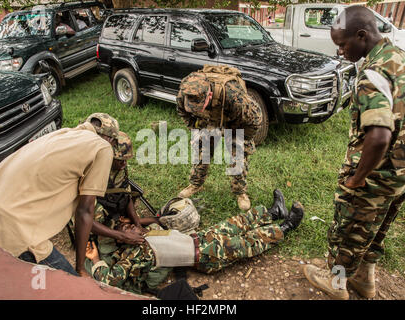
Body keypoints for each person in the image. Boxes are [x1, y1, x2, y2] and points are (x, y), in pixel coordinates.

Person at [303, 5, 405, 300]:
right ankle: (364, 279)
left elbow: (378, 137)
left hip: (374, 177)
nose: (340, 51)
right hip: (402, 173)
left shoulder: (372, 76)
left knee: (348, 234)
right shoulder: (400, 57)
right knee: (375, 232)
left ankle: (337, 283)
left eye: (342, 44)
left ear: (362, 36)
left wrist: (356, 179)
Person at [0, 113, 121, 277]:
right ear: (110, 139)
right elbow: (85, 212)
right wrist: (80, 267)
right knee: (73, 288)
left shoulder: (61, 135)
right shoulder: (102, 147)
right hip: (13, 229)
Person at [84, 190, 304, 294]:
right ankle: (286, 227)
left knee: (236, 222)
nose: (132, 226)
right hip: (206, 255)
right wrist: (95, 260)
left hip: (201, 238)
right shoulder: (134, 255)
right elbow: (108, 280)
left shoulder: (144, 233)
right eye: (127, 229)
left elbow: (143, 221)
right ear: (125, 240)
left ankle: (274, 212)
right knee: (248, 243)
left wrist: (135, 224)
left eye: (130, 225)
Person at [176, 65, 263, 211]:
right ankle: (196, 184)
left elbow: (256, 118)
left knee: (237, 155)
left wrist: (242, 139)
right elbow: (183, 114)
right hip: (208, 120)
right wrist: (196, 125)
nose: (194, 108)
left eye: (198, 106)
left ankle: (240, 192)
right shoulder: (184, 93)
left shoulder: (234, 96)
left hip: (233, 120)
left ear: (209, 96)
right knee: (201, 151)